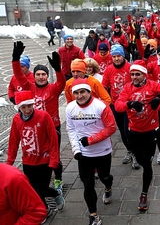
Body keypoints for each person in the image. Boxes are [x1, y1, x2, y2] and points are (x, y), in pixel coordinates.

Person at [114, 60, 160, 211]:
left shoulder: (153, 85)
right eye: (132, 74)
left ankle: (144, 194)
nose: (134, 77)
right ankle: (141, 161)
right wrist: (129, 104)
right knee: (141, 160)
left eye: (138, 74)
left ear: (144, 75)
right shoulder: (127, 88)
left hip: (150, 131)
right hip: (134, 131)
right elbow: (118, 106)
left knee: (147, 164)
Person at [11, 41, 66, 195]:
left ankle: (58, 179)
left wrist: (58, 69)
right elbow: (18, 76)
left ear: (47, 76)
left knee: (54, 154)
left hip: (53, 126)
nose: (41, 77)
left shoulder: (54, 89)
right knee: (40, 155)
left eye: (43, 74)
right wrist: (15, 59)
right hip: (35, 126)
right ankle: (43, 184)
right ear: (34, 76)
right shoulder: (29, 87)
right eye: (38, 75)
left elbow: (62, 82)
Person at [7, 91, 65, 220]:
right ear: (19, 108)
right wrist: (9, 163)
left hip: (44, 160)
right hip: (28, 162)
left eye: (29, 106)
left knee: (41, 189)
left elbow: (53, 139)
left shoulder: (43, 116)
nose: (27, 110)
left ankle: (54, 195)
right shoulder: (16, 120)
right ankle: (45, 208)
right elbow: (13, 141)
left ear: (33, 104)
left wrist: (54, 160)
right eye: (24, 107)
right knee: (33, 190)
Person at [66, 78, 116, 225]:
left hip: (102, 151)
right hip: (84, 154)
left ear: (89, 92)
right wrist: (76, 149)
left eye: (82, 92)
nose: (79, 96)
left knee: (104, 176)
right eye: (76, 93)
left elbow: (111, 128)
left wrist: (91, 140)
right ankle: (93, 216)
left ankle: (108, 186)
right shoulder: (70, 108)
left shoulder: (100, 106)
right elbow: (71, 129)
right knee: (88, 184)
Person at [102, 45, 140, 169]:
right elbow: (104, 87)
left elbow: (137, 82)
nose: (116, 59)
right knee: (122, 131)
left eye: (119, 56)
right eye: (114, 56)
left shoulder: (130, 67)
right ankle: (130, 150)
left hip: (129, 105)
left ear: (123, 56)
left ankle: (135, 153)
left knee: (128, 130)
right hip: (115, 104)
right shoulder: (109, 70)